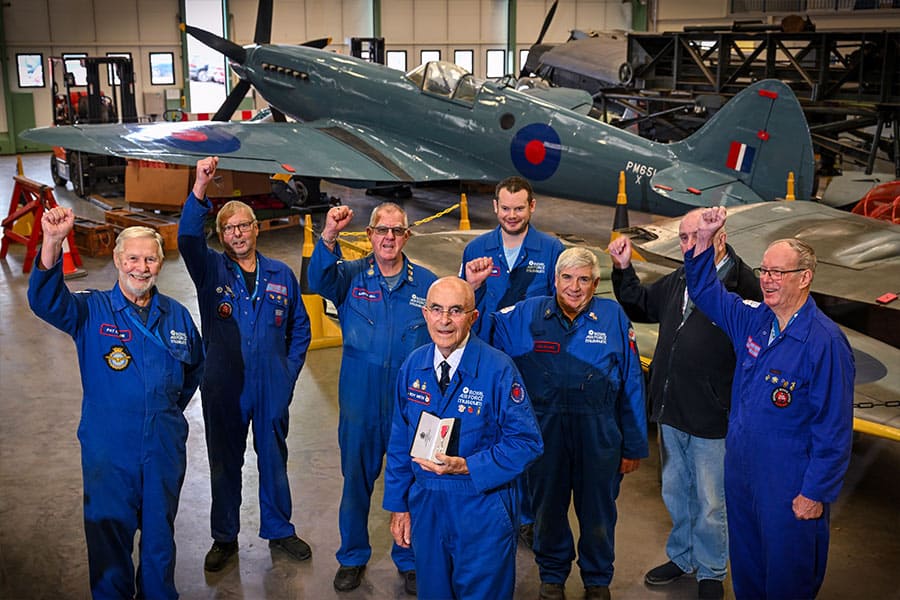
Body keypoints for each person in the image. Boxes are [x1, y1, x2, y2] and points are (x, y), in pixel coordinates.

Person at [28, 209, 203, 599]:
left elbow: (193, 370)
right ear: (118, 261)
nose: (141, 268)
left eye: (150, 259)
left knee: (160, 541)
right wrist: (53, 242)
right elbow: (44, 301)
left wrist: (164, 411)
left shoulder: (176, 315)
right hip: (109, 451)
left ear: (160, 263)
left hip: (162, 449)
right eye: (133, 259)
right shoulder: (90, 311)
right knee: (109, 543)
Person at [683, 207, 854, 600]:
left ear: (805, 278)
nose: (768, 280)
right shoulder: (756, 319)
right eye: (764, 271)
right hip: (742, 473)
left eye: (779, 273)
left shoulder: (824, 343)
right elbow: (707, 292)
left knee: (786, 578)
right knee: (748, 572)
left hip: (789, 482)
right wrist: (705, 241)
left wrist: (815, 493)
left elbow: (834, 429)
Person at [608, 210, 762, 600]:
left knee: (711, 501)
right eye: (683, 238)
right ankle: (684, 556)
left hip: (713, 415)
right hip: (672, 407)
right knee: (676, 491)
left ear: (720, 238)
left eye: (696, 237)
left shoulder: (745, 286)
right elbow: (641, 305)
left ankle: (711, 569)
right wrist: (624, 268)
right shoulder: (681, 278)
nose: (687, 245)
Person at [179, 156, 312, 572]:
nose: (237, 233)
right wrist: (201, 185)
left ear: (256, 229)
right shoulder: (210, 270)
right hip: (224, 385)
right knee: (224, 460)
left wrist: (287, 376)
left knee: (273, 457)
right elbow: (186, 238)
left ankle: (279, 528)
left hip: (271, 384)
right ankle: (224, 536)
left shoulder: (281, 274)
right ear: (221, 235)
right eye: (229, 228)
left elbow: (300, 330)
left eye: (244, 225)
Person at [491, 248, 647, 600]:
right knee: (547, 509)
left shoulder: (614, 317)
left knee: (599, 512)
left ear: (595, 284)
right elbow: (483, 326)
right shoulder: (528, 313)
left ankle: (596, 580)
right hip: (546, 434)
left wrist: (634, 444)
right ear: (555, 280)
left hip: (599, 435)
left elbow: (632, 383)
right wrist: (475, 285)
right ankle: (552, 576)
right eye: (567, 278)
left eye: (583, 280)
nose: (574, 287)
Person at [383, 276, 544, 600]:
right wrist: (399, 506)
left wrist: (468, 466)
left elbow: (527, 443)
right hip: (427, 504)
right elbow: (400, 441)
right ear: (425, 313)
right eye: (437, 310)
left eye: (456, 311)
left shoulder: (498, 370)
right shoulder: (414, 367)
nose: (444, 321)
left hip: (482, 506)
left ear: (473, 317)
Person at [308, 203, 437, 594]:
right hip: (360, 404)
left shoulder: (425, 284)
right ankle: (352, 556)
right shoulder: (348, 276)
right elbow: (316, 279)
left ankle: (411, 558)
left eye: (397, 232)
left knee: (414, 484)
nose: (389, 239)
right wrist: (329, 234)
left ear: (406, 236)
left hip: (411, 408)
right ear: (369, 235)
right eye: (382, 230)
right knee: (356, 484)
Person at [461, 175, 564, 546]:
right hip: (485, 368)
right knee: (488, 436)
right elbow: (463, 307)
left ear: (532, 206)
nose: (512, 215)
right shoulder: (476, 249)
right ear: (495, 207)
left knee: (531, 440)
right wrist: (473, 284)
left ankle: (530, 516)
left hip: (533, 367)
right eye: (505, 208)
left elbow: (561, 311)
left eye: (519, 208)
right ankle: (499, 511)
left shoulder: (551, 250)